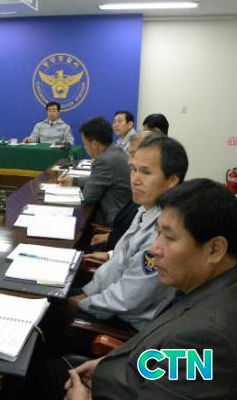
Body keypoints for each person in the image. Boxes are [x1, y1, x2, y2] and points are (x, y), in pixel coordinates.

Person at [58, 179, 237, 400]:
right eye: (157, 233)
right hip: (118, 375)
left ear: (215, 249)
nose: (154, 248)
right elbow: (159, 354)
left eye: (169, 237)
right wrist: (106, 363)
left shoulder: (208, 340)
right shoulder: (216, 281)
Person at [69, 135, 188, 333]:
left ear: (172, 180)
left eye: (146, 172)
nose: (135, 180)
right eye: (133, 169)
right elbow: (117, 263)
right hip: (105, 297)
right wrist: (86, 293)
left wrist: (80, 303)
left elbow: (127, 299)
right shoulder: (146, 208)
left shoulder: (163, 233)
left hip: (123, 321)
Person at [60, 116, 131, 227]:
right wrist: (74, 181)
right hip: (124, 214)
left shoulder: (104, 160)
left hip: (110, 221)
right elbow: (99, 180)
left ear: (94, 144)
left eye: (85, 144)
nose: (85, 147)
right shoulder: (115, 150)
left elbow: (88, 196)